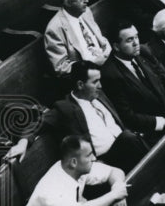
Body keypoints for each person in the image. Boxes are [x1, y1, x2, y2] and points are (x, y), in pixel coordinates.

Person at [16, 60, 150, 171]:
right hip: (104, 162)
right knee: (130, 139)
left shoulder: (100, 96)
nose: (100, 86)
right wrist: (22, 143)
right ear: (80, 84)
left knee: (135, 138)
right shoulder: (65, 108)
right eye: (95, 82)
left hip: (128, 149)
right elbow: (37, 123)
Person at [15, 135, 128, 206]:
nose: (94, 158)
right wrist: (115, 195)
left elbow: (115, 171)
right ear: (74, 162)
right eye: (89, 155)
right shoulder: (52, 188)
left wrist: (117, 186)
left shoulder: (75, 168)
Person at [101, 21, 165, 146]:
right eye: (129, 40)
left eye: (136, 37)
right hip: (151, 133)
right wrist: (160, 123)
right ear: (116, 46)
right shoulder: (110, 74)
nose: (136, 43)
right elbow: (127, 115)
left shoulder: (144, 52)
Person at [44, 0, 111, 76]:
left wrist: (106, 50)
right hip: (87, 74)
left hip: (105, 60)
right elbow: (61, 67)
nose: (87, 1)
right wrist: (92, 64)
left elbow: (99, 38)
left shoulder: (86, 11)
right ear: (67, 3)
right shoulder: (55, 28)